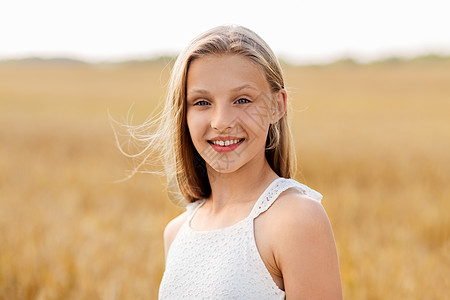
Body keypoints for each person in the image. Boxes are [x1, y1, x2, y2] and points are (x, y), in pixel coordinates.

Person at [145, 25, 342, 299]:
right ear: (184, 113)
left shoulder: (295, 220)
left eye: (242, 100)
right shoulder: (176, 232)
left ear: (277, 106)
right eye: (202, 102)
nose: (221, 122)